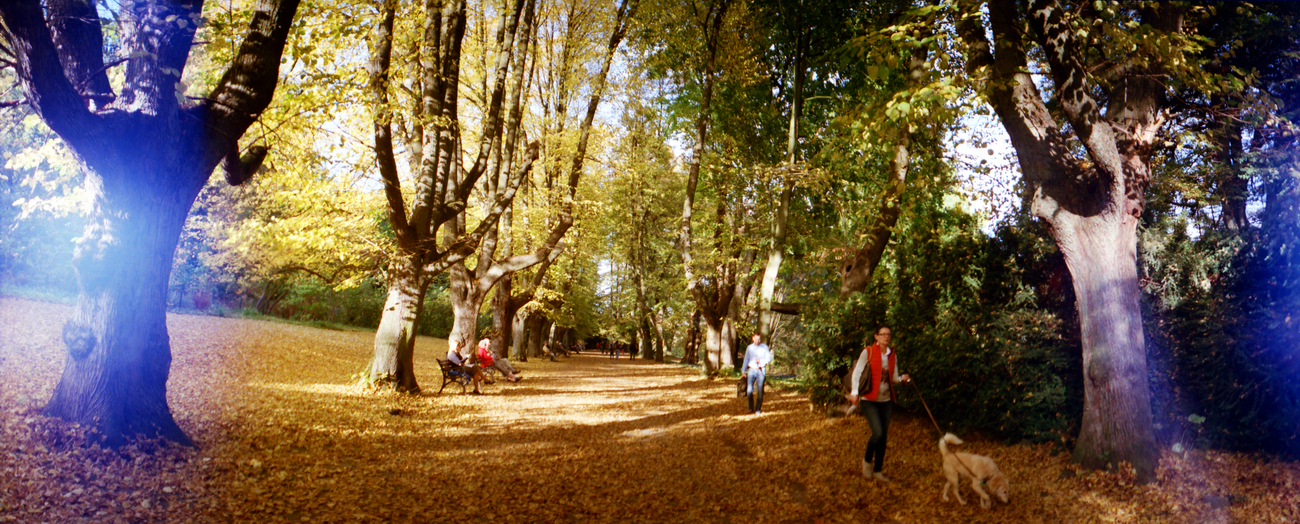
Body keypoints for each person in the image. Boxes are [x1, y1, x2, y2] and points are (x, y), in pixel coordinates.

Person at [848, 325, 911, 482]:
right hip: (869, 400)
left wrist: (903, 378)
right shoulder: (868, 352)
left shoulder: (892, 355)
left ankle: (878, 471)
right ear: (876, 336)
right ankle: (867, 462)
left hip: (886, 401)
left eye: (888, 334)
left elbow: (893, 378)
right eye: (882, 334)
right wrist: (854, 392)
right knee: (878, 433)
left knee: (883, 437)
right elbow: (857, 374)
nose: (886, 337)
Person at [742, 333, 773, 415]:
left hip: (761, 370)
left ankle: (757, 409)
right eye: (756, 339)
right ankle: (750, 407)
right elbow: (746, 359)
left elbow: (769, 358)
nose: (757, 341)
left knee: (760, 391)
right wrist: (743, 371)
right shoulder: (749, 348)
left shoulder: (764, 347)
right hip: (751, 370)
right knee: (749, 390)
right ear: (753, 338)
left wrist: (761, 361)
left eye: (759, 339)